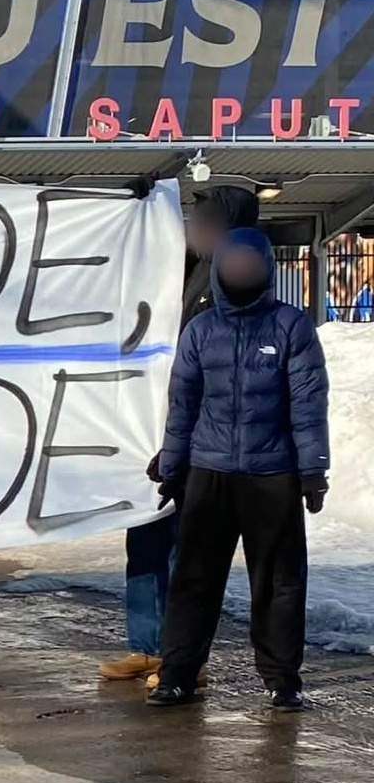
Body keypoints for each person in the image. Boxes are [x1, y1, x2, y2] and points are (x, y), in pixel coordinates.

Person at [147, 227, 328, 712]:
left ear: (266, 267)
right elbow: (182, 406)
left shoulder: (292, 326)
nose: (241, 270)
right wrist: (172, 464)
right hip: (209, 474)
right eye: (234, 263)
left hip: (273, 476)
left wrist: (313, 471)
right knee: (194, 579)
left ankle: (282, 680)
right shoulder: (201, 330)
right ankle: (177, 676)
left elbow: (308, 404)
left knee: (278, 584)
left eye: (250, 262)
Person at [100, 185, 259, 685]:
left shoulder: (239, 283)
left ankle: (184, 656)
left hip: (199, 439)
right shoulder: (181, 270)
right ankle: (147, 646)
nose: (194, 228)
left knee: (186, 550)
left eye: (206, 219)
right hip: (153, 429)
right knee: (145, 538)